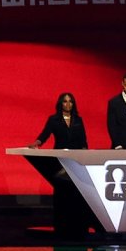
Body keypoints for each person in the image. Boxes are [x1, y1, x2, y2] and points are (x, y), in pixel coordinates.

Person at [33, 92, 91, 238]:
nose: (68, 104)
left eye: (70, 101)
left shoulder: (78, 120)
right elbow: (44, 135)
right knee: (61, 191)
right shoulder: (53, 120)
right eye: (65, 101)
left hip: (76, 160)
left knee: (77, 192)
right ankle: (61, 224)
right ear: (60, 103)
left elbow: (83, 141)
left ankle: (77, 224)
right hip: (60, 160)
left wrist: (85, 157)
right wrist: (37, 143)